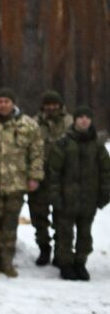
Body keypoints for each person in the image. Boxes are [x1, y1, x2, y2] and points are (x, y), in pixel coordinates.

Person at [0, 89, 44, 278]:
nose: (3, 104)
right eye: (0, 101)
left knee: (10, 225)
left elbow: (36, 153)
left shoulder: (28, 125)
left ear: (13, 103)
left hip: (16, 183)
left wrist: (34, 177)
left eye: (7, 101)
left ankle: (7, 261)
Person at [46, 106, 110, 280]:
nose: (84, 120)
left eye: (87, 117)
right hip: (67, 199)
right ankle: (65, 264)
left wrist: (104, 194)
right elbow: (53, 173)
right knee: (65, 234)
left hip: (89, 199)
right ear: (74, 120)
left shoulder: (97, 145)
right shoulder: (64, 143)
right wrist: (55, 196)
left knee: (85, 235)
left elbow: (106, 172)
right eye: (80, 117)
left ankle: (80, 263)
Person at [31, 90, 73, 265]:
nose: (51, 108)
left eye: (54, 104)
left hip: (62, 177)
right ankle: (44, 248)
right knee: (39, 216)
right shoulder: (33, 123)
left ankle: (60, 251)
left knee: (61, 217)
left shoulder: (69, 123)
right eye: (48, 105)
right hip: (39, 175)